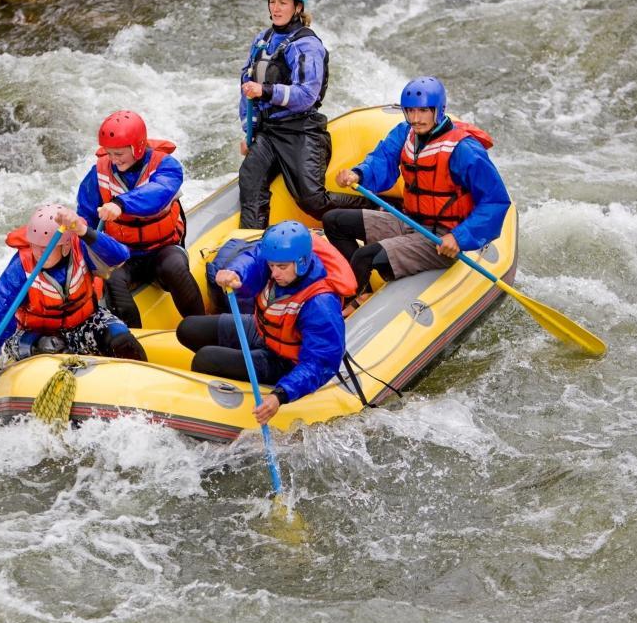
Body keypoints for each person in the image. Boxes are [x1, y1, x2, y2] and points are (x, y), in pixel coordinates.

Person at [322, 76, 512, 307]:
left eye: (423, 111)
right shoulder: (405, 133)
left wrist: (459, 237)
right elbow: (381, 159)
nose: (415, 118)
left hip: (441, 238)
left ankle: (345, 306)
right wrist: (358, 174)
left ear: (438, 110)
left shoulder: (464, 150)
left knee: (366, 255)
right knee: (333, 221)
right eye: (410, 111)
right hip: (410, 222)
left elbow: (495, 201)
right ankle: (362, 290)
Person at [176, 220, 349, 425]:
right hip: (263, 332)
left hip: (287, 363)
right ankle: (234, 376)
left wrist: (280, 395)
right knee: (187, 329)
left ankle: (219, 406)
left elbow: (320, 362)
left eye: (281, 267)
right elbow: (254, 257)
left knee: (204, 359)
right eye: (272, 266)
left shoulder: (321, 304)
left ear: (301, 262)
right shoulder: (279, 261)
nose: (274, 273)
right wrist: (235, 272)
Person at [0, 203, 147, 378]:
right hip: (35, 334)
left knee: (121, 338)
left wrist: (82, 230)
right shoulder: (20, 268)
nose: (38, 253)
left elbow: (120, 256)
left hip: (84, 322)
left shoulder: (80, 248)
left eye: (46, 248)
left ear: (65, 247)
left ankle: (141, 383)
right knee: (51, 346)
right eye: (35, 245)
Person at [75, 110, 205, 329]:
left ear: (137, 147)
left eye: (119, 154)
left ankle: (202, 328)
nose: (114, 161)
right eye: (110, 154)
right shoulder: (97, 174)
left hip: (163, 248)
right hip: (124, 254)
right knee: (113, 280)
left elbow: (159, 193)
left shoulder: (166, 166)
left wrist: (120, 204)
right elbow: (86, 218)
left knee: (174, 267)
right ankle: (134, 340)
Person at [238, 0, 342, 229]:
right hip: (270, 131)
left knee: (312, 200)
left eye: (283, 3)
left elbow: (306, 95)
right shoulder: (261, 41)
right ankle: (251, 246)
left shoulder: (308, 46)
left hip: (302, 131)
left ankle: (376, 213)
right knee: (250, 178)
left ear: (298, 7)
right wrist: (249, 132)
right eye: (272, 2)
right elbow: (246, 89)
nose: (275, 8)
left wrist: (265, 90)